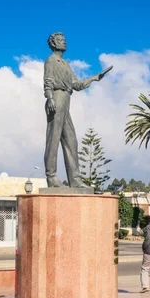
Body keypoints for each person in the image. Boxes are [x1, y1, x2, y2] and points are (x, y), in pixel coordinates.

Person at [43, 32, 112, 187]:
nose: (64, 42)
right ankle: (51, 177)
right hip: (56, 98)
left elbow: (76, 84)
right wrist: (50, 98)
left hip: (66, 100)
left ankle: (75, 179)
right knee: (53, 140)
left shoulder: (66, 64)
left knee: (71, 141)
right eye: (60, 40)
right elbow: (47, 81)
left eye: (64, 39)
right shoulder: (51, 60)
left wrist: (94, 78)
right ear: (53, 43)